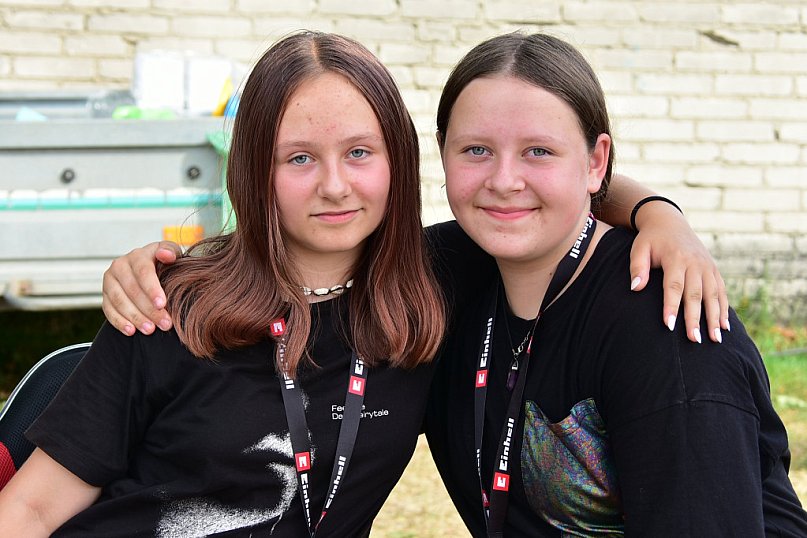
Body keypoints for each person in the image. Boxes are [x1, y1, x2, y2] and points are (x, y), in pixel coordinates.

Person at [18, 32, 724, 537]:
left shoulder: (434, 284)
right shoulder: (174, 305)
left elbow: (549, 184)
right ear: (255, 169)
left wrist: (659, 216)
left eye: (359, 152)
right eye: (299, 158)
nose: (334, 185)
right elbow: (31, 509)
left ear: (398, 161)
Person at [423, 32, 807, 536]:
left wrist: (660, 214)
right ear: (443, 153)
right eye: (476, 150)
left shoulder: (667, 325)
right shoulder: (440, 275)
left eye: (538, 151)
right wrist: (656, 209)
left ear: (596, 161)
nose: (504, 180)